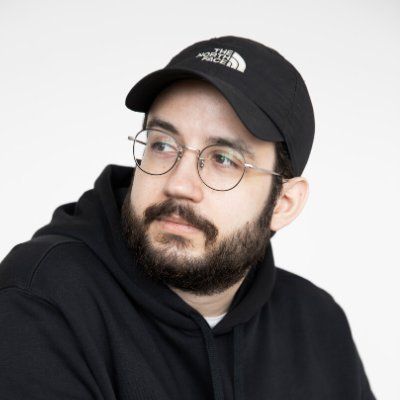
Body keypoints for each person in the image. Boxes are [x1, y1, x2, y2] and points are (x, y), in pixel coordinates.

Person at [0, 36, 376, 399]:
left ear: (283, 204)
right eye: (163, 145)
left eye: (223, 159)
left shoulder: (318, 325)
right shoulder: (43, 298)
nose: (179, 184)